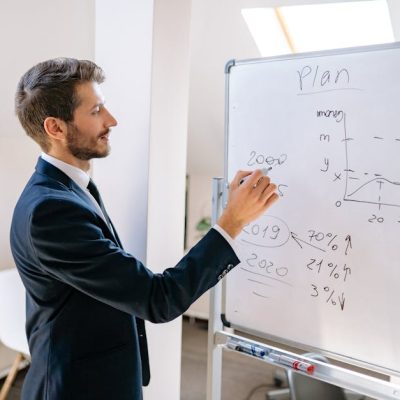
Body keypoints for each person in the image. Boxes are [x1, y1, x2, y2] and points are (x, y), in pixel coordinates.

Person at [10, 58, 278, 400]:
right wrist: (231, 223)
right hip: (76, 388)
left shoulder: (71, 189)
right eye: (95, 112)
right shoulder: (51, 211)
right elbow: (158, 298)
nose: (112, 121)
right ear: (56, 128)